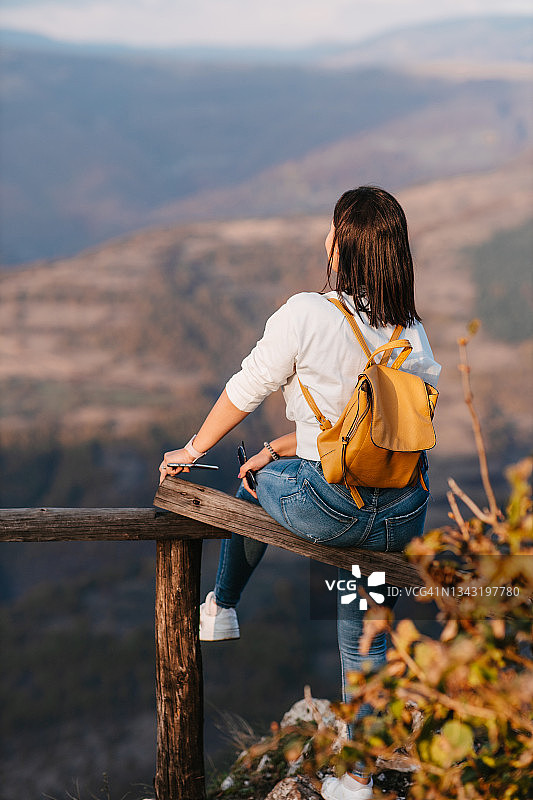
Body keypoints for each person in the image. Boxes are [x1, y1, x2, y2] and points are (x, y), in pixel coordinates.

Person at [159, 187, 441, 800]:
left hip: (334, 509)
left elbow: (247, 387)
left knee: (251, 479)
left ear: (347, 250)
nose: (325, 244)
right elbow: (365, 429)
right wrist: (286, 444)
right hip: (402, 512)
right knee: (363, 624)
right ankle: (358, 776)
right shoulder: (412, 332)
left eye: (333, 235)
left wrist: (193, 450)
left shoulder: (307, 314)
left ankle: (223, 605)